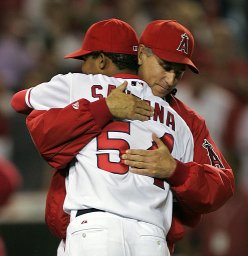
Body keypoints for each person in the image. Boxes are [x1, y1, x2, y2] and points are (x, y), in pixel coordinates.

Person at [11, 19, 234, 254]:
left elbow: (223, 184)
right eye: (165, 66)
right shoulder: (177, 121)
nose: (170, 80)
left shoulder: (186, 119)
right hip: (147, 236)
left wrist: (177, 170)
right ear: (141, 54)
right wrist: (104, 108)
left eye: (178, 73)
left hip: (101, 229)